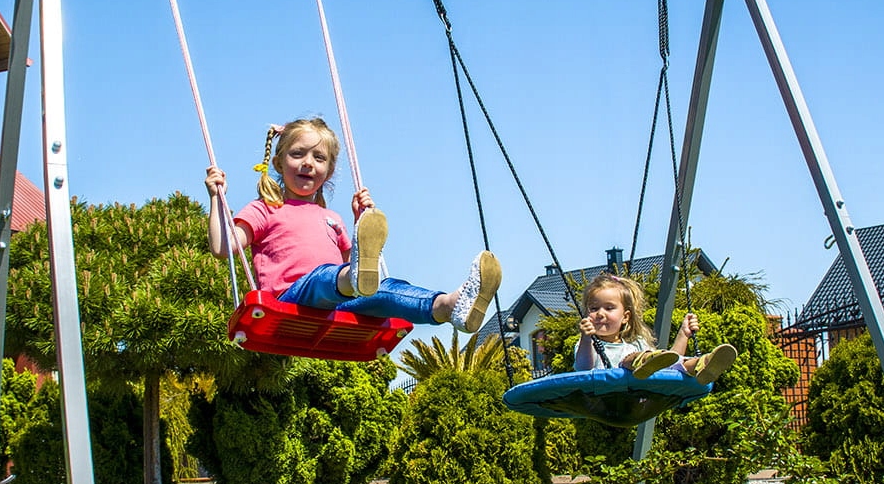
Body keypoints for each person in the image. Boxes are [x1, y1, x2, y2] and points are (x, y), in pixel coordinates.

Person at [204, 117, 501, 333]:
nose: (308, 163)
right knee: (323, 278)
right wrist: (217, 199)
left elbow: (360, 270)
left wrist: (360, 222)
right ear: (280, 163)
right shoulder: (266, 209)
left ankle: (451, 306)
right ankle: (354, 277)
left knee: (385, 292)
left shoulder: (331, 220)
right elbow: (223, 247)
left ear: (328, 170)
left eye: (318, 158)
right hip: (290, 302)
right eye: (298, 154)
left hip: (337, 307)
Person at [574, 272, 737, 383]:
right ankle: (642, 361)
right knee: (629, 359)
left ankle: (701, 365)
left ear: (625, 317)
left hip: (637, 394)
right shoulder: (586, 346)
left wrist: (684, 334)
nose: (600, 314)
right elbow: (583, 368)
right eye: (594, 309)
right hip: (607, 395)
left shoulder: (635, 344)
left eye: (609, 308)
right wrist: (586, 339)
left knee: (665, 360)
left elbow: (668, 365)